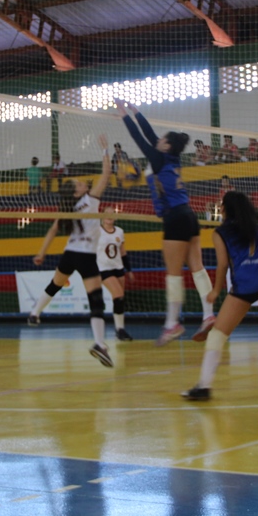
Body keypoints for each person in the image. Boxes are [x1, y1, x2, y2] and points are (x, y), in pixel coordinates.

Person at [182, 191, 258, 401]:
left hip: (245, 286)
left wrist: (216, 291)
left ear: (225, 209)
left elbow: (222, 265)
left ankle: (203, 387)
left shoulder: (220, 233)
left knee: (218, 335)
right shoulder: (256, 227)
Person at [115, 99, 216, 345]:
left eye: (161, 139)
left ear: (166, 145)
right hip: (189, 216)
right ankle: (209, 314)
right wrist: (136, 110)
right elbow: (149, 135)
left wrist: (124, 115)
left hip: (175, 219)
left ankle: (172, 323)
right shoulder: (170, 159)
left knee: (173, 273)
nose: (156, 139)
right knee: (198, 268)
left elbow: (140, 138)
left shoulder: (159, 159)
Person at [27, 135, 115, 367]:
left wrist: (41, 253)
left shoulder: (68, 208)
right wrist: (105, 151)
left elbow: (53, 231)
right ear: (77, 192)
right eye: (77, 183)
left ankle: (35, 312)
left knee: (55, 285)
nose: (81, 183)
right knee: (96, 302)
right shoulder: (91, 199)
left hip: (69, 254)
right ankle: (99, 343)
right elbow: (106, 175)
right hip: (85, 256)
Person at [97, 207, 133, 342]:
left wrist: (129, 270)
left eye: (112, 214)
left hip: (118, 268)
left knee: (119, 299)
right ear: (102, 216)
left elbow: (122, 252)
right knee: (118, 295)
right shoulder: (97, 231)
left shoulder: (119, 231)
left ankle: (120, 329)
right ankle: (120, 330)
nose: (109, 216)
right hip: (103, 269)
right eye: (107, 213)